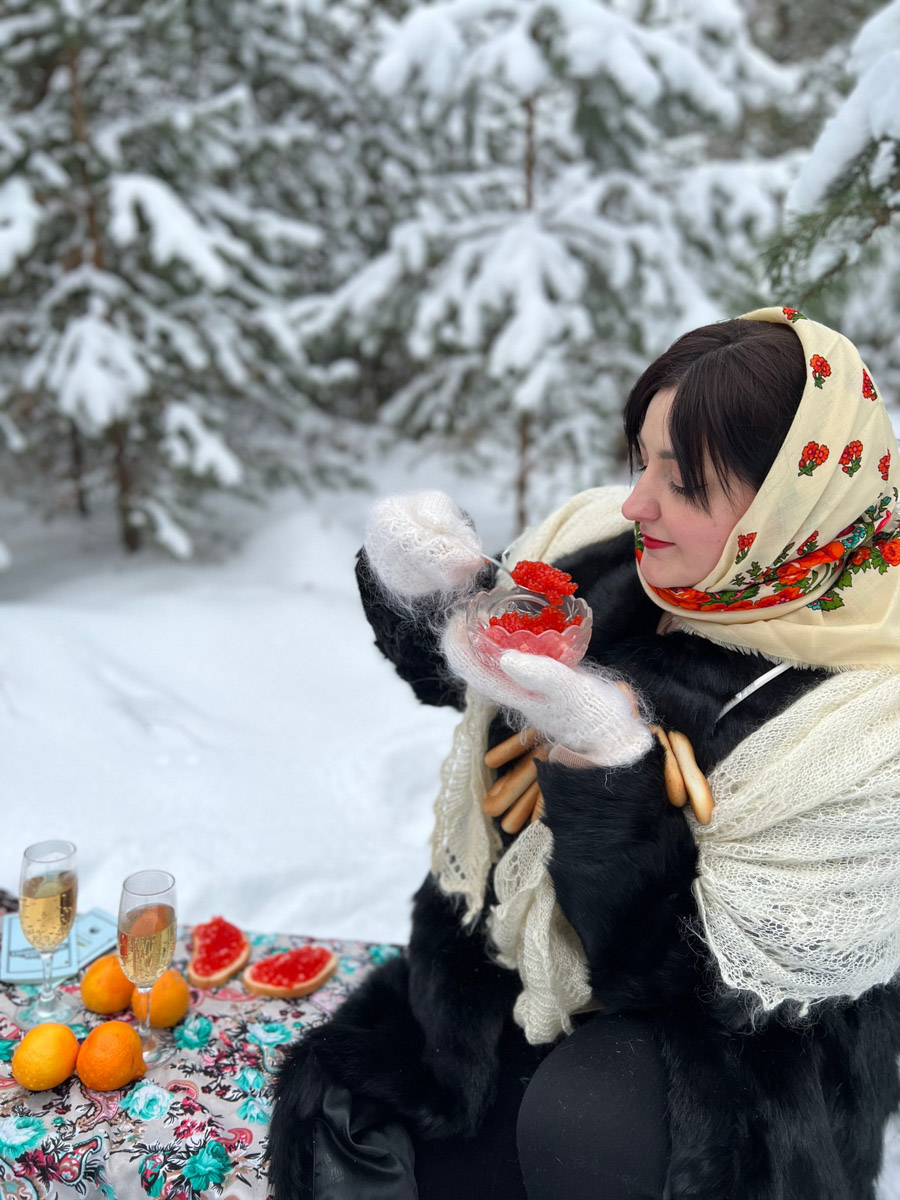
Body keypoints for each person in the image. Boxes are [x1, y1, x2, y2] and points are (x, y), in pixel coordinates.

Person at [267, 307, 900, 1199]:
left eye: (684, 483)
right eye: (641, 459)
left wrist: (607, 778)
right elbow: (473, 676)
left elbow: (687, 976)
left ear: (786, 505)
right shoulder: (612, 546)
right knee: (352, 1116)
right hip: (531, 977)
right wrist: (431, 595)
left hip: (730, 1071)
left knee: (586, 1126)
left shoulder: (868, 722)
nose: (637, 501)